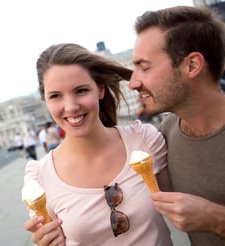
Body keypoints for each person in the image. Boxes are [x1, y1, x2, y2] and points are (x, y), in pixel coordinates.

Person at [23, 43, 173, 245]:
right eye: (56, 96)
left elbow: (183, 207)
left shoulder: (143, 139)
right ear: (46, 101)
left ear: (100, 89)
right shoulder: (39, 177)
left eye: (81, 90)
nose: (71, 107)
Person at [129, 6, 225, 245]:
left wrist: (218, 220)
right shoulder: (166, 133)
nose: (133, 83)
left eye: (144, 68)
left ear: (192, 65)